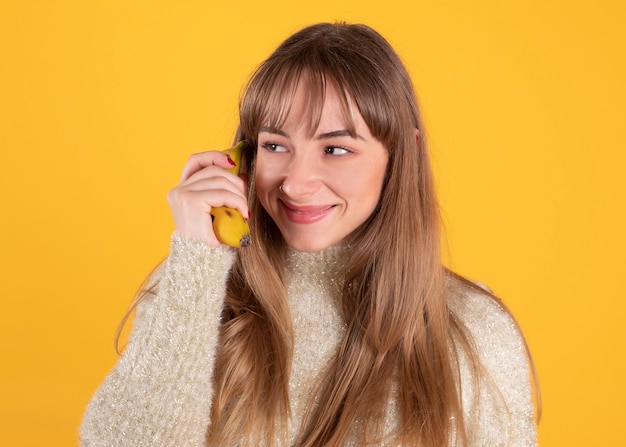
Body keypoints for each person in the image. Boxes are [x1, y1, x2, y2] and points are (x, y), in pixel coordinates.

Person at [80, 22, 539, 446]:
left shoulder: (475, 329)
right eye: (276, 145)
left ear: (403, 153)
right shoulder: (195, 293)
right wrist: (197, 259)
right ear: (244, 156)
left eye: (336, 148)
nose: (296, 183)